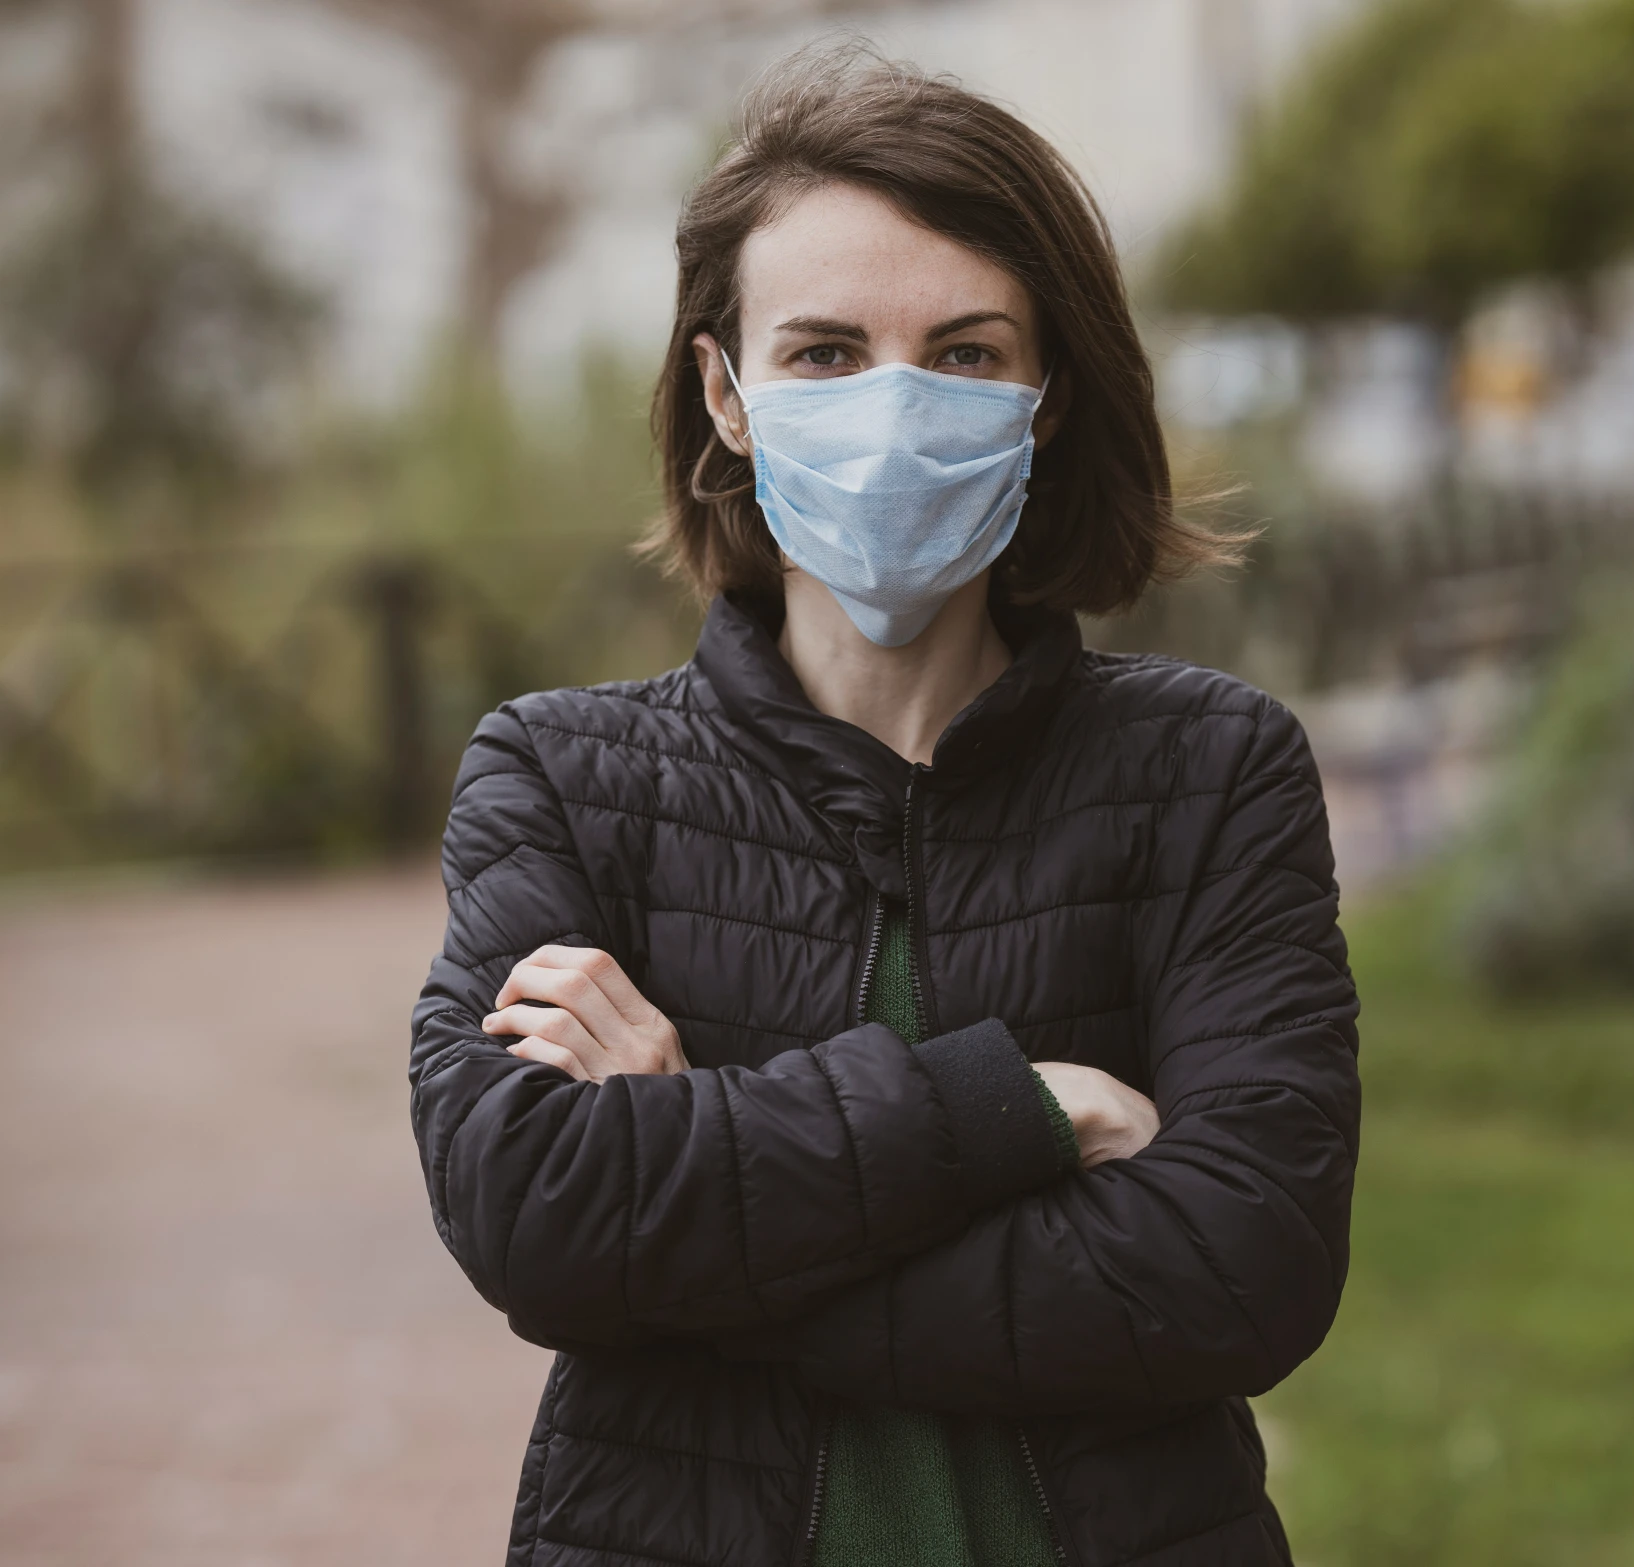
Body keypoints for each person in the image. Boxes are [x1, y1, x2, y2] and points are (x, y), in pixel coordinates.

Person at [408, 48, 1360, 1567]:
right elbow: (534, 1215)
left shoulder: (1208, 772)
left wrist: (702, 1230)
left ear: (1046, 399)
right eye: (826, 352)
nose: (895, 408)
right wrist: (1025, 1107)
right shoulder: (564, 778)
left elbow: (1244, 1265)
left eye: (967, 353)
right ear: (725, 392)